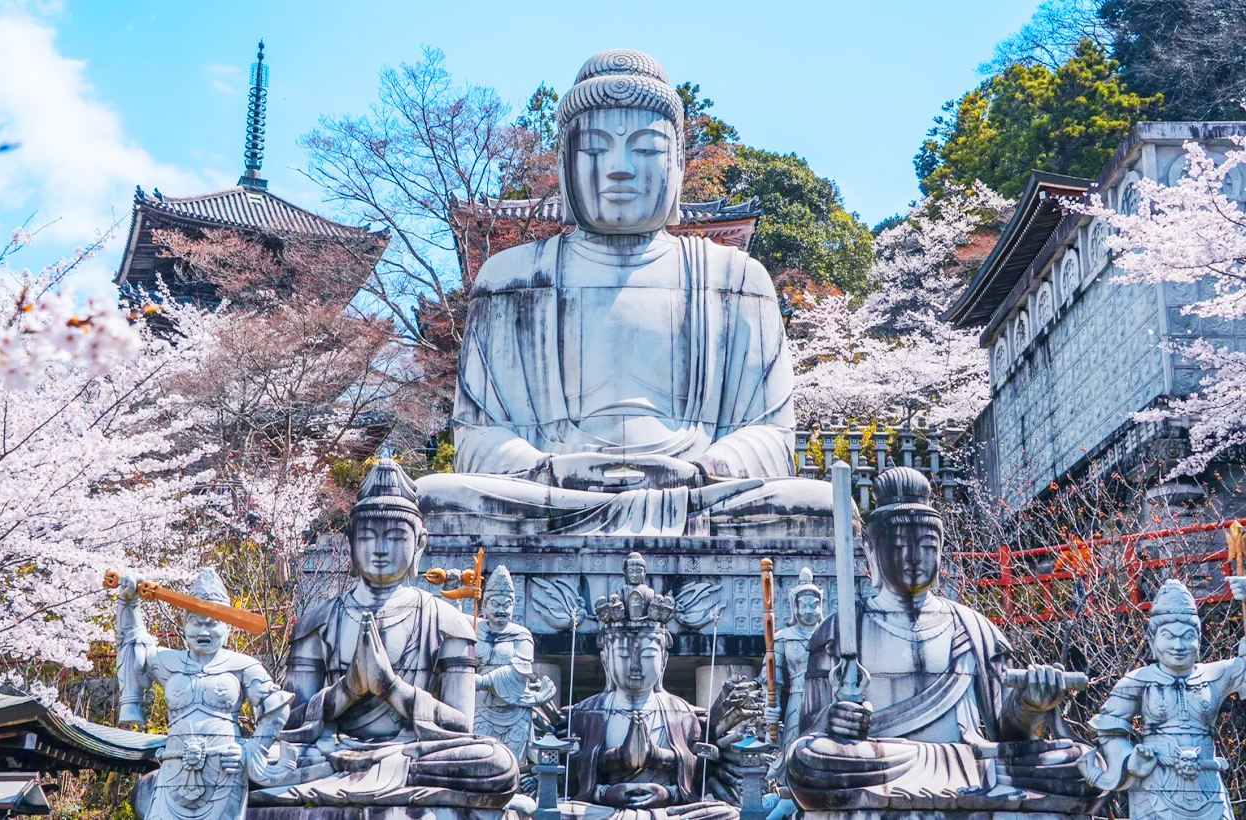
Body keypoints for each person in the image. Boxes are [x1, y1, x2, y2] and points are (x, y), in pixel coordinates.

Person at [417, 49, 834, 538]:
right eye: (595, 149)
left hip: (695, 490)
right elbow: (477, 438)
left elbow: (771, 437)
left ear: (678, 162)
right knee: (435, 495)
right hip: (551, 490)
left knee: (814, 502)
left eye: (645, 148)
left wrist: (704, 469)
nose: (619, 169)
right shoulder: (510, 279)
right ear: (563, 163)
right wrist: (550, 470)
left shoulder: (737, 278)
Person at [786, 467, 1097, 814]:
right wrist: (833, 719)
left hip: (977, 763)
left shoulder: (976, 629)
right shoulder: (839, 632)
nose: (915, 558)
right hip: (883, 763)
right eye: (900, 546)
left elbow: (1008, 730)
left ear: (942, 548)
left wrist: (1031, 705)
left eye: (927, 545)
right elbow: (806, 737)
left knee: (1082, 762)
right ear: (872, 552)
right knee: (810, 760)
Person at [253, 459, 519, 808]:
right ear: (350, 542)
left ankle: (350, 787)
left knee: (496, 763)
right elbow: (291, 720)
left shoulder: (445, 619)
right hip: (329, 752)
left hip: (414, 752)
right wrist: (349, 688)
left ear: (419, 543)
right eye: (367, 536)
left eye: (394, 537)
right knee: (258, 756)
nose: (379, 549)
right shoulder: (318, 620)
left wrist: (390, 687)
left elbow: (460, 724)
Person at [565, 554, 739, 820]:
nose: (635, 665)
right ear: (606, 660)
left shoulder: (681, 711)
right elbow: (572, 773)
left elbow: (693, 779)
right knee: (562, 811)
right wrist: (604, 793)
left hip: (667, 810)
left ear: (664, 660)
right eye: (624, 656)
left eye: (647, 655)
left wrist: (667, 792)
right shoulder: (587, 711)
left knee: (723, 813)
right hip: (604, 809)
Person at [113, 569, 292, 820]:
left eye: (212, 623)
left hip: (224, 771)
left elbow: (276, 708)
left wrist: (251, 749)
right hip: (173, 768)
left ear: (227, 628)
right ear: (185, 625)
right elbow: (132, 643)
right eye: (196, 622)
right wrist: (129, 602)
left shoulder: (243, 665)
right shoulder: (167, 662)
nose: (203, 631)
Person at [1080, 577, 1246, 820]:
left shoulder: (1216, 675)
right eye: (1168, 636)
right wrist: (1129, 760)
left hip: (1209, 789)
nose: (1178, 645)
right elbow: (1109, 733)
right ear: (1152, 640)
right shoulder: (1138, 681)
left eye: (1187, 635)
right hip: (1154, 791)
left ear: (1199, 639)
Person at [475, 565, 555, 761]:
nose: (501, 610)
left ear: (514, 605)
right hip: (481, 710)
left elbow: (517, 671)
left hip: (516, 714)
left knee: (512, 768)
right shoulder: (474, 630)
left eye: (507, 604)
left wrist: (482, 681)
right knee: (477, 766)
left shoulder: (521, 635)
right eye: (495, 604)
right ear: (484, 604)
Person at [761, 568, 822, 780]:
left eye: (813, 606)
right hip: (797, 698)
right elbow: (771, 680)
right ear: (794, 607)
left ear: (820, 607)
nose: (808, 611)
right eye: (803, 605)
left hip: (825, 699)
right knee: (792, 750)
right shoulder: (783, 638)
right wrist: (771, 709)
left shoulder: (829, 635)